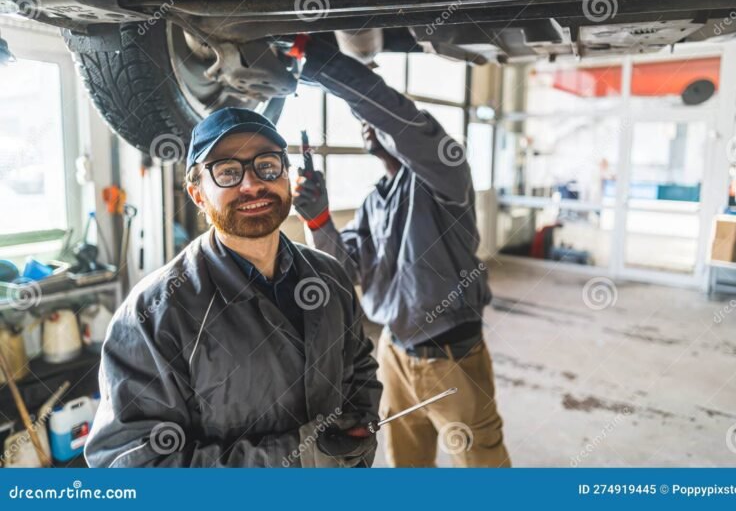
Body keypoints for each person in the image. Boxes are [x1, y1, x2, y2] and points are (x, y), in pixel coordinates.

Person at [85, 108, 382, 467]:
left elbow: (360, 366)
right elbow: (132, 463)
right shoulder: (154, 314)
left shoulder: (330, 277)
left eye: (267, 165)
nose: (252, 184)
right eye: (227, 172)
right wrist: (301, 458)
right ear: (198, 195)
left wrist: (358, 435)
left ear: (287, 177)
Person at [292, 36, 510, 467]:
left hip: (451, 362)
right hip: (393, 354)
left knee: (484, 470)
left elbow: (399, 121)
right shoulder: (376, 200)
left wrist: (320, 62)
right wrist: (317, 220)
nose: (365, 124)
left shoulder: (445, 175)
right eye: (360, 120)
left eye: (371, 115)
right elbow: (346, 267)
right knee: (406, 467)